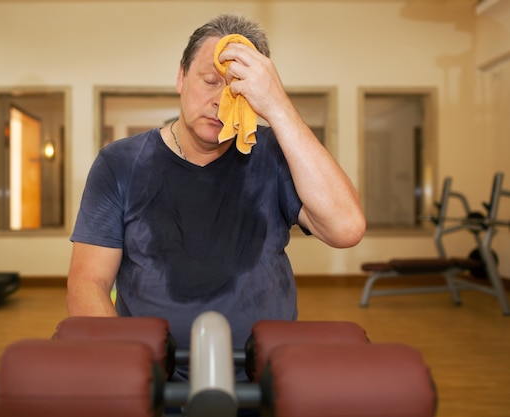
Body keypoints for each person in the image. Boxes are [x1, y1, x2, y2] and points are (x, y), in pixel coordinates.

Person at [67, 13, 365, 385]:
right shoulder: (120, 162)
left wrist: (277, 106)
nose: (220, 101)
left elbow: (347, 228)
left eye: (237, 88)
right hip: (153, 378)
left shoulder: (275, 153)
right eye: (210, 81)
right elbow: (87, 283)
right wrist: (127, 370)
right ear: (180, 78)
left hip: (266, 377)